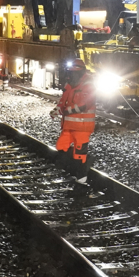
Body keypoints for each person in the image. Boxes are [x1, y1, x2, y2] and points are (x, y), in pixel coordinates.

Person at [51, 56, 96, 188]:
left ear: (80, 72)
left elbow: (84, 105)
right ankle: (71, 170)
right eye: (70, 72)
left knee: (80, 154)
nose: (70, 75)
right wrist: (56, 110)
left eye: (72, 73)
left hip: (82, 127)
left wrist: (66, 111)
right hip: (69, 126)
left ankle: (81, 180)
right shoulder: (70, 85)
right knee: (61, 146)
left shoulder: (88, 85)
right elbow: (63, 101)